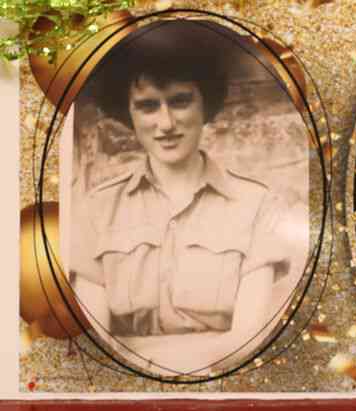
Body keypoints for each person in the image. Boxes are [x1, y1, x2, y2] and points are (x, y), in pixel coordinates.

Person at [69, 21, 289, 375]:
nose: (166, 123)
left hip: (222, 386)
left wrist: (175, 369)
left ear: (207, 104)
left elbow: (249, 337)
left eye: (180, 101)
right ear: (129, 114)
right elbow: (94, 336)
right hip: (123, 394)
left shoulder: (256, 204)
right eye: (148, 106)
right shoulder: (97, 208)